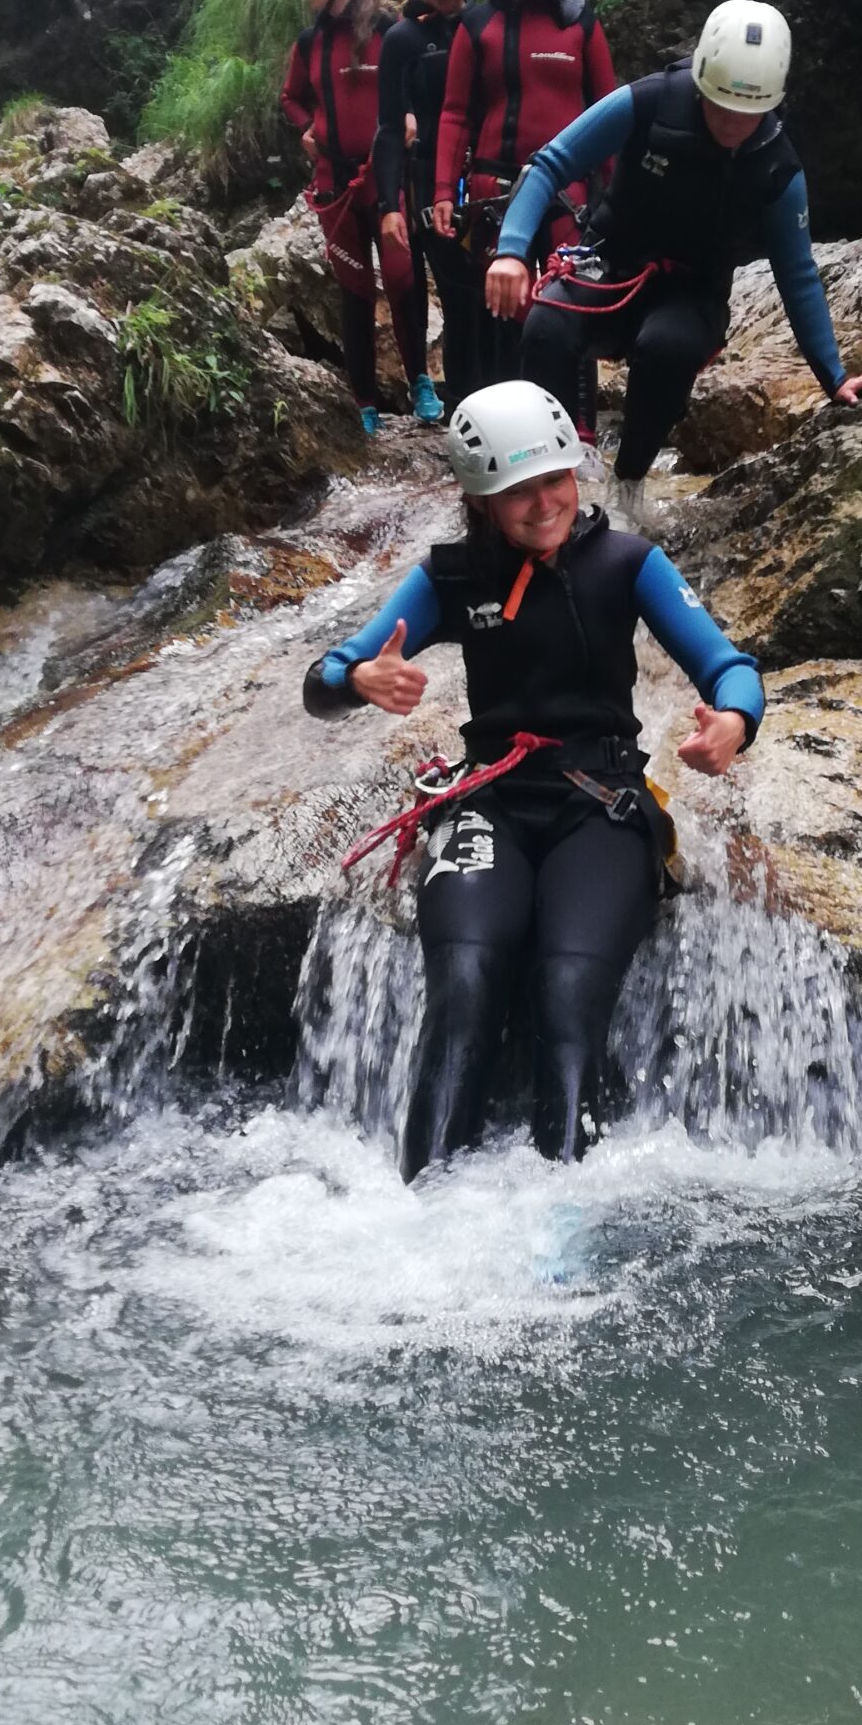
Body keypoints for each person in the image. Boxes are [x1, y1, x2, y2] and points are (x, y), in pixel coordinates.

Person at [303, 379, 762, 1180]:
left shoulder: (627, 564)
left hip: (601, 805)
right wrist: (359, 679)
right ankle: (424, 1209)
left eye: (555, 479)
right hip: (491, 803)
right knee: (465, 982)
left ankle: (561, 1216)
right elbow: (324, 680)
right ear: (480, 499)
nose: (544, 503)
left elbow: (729, 667)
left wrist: (733, 722)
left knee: (568, 993)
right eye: (518, 491)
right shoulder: (450, 579)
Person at [491, 1, 853, 506]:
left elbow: (797, 275)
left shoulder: (777, 167)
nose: (733, 122)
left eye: (748, 112)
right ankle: (551, 474)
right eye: (721, 105)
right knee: (546, 326)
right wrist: (510, 251)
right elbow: (550, 165)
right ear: (701, 82)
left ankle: (628, 486)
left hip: (691, 293)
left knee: (668, 348)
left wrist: (834, 377)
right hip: (610, 263)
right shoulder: (651, 101)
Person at [431, 0, 616, 391]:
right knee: (500, 315)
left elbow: (608, 113)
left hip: (567, 195)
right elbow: (455, 114)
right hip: (496, 193)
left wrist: (617, 197)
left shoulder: (579, 23)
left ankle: (577, 429)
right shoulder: (477, 27)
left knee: (569, 307)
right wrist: (443, 191)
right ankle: (504, 422)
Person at [281, 0, 442, 433]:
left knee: (402, 277)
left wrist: (412, 115)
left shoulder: (391, 33)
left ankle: (421, 381)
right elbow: (290, 97)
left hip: (384, 179)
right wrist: (306, 127)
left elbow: (424, 86)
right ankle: (365, 403)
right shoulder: (310, 44)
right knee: (354, 292)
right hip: (336, 185)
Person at [373, 0, 485, 414]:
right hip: (427, 181)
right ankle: (466, 402)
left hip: (484, 177)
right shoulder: (404, 40)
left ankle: (497, 395)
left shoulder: (485, 26)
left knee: (491, 293)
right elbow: (389, 128)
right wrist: (388, 205)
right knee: (460, 296)